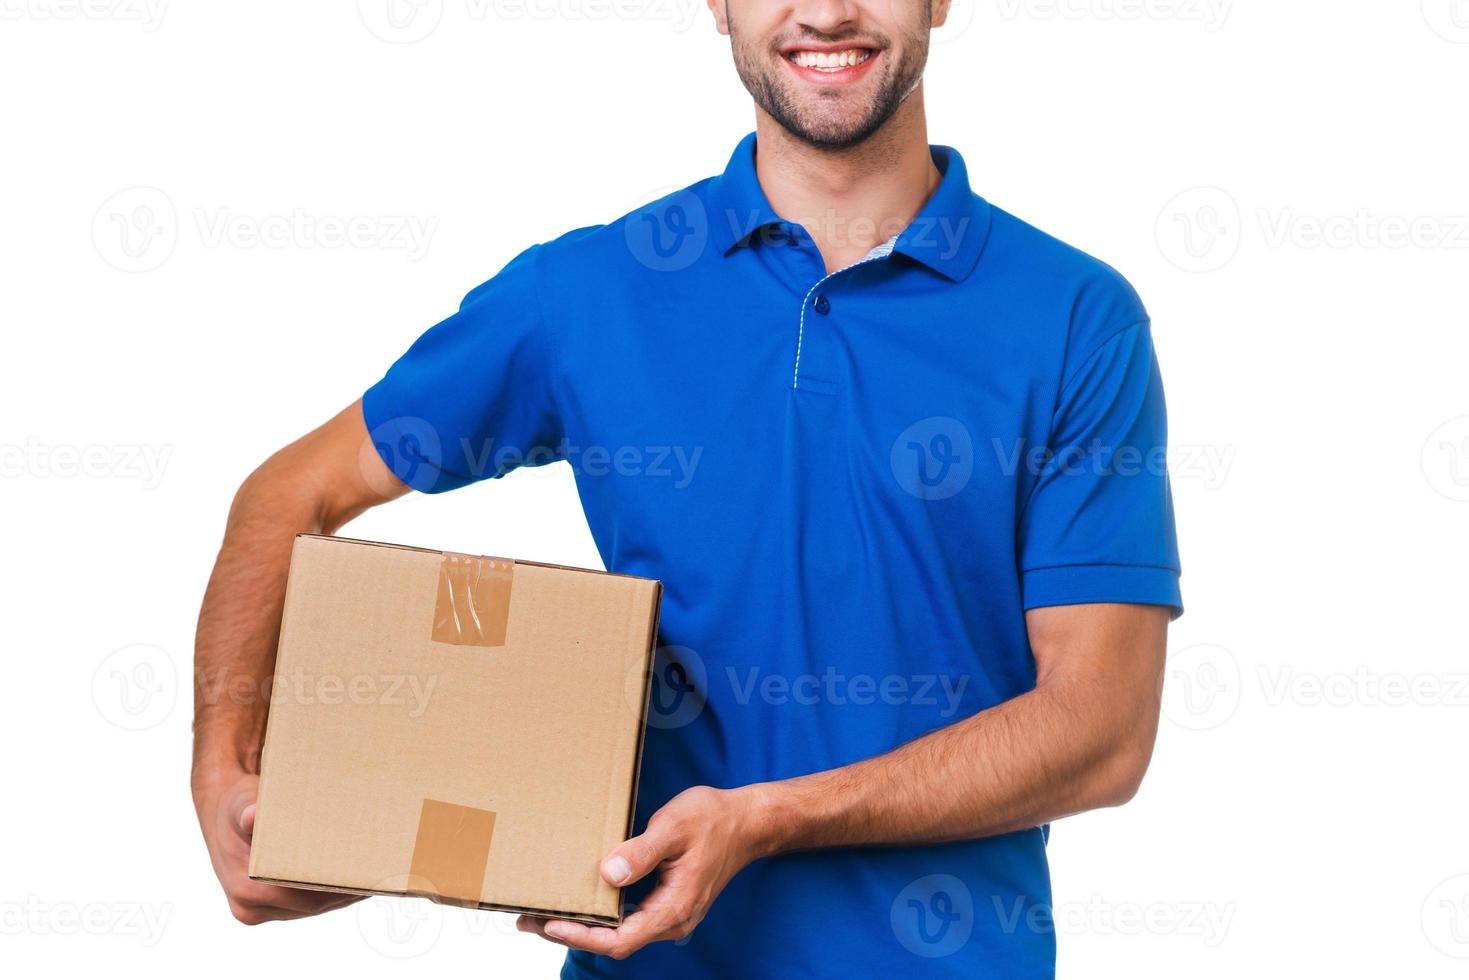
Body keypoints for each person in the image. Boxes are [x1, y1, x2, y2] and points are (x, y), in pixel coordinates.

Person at [191, 0, 1183, 975]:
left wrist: (765, 816)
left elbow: (1099, 728)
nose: (827, 13)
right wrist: (224, 767)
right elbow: (288, 495)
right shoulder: (588, 290)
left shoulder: (1071, 318)